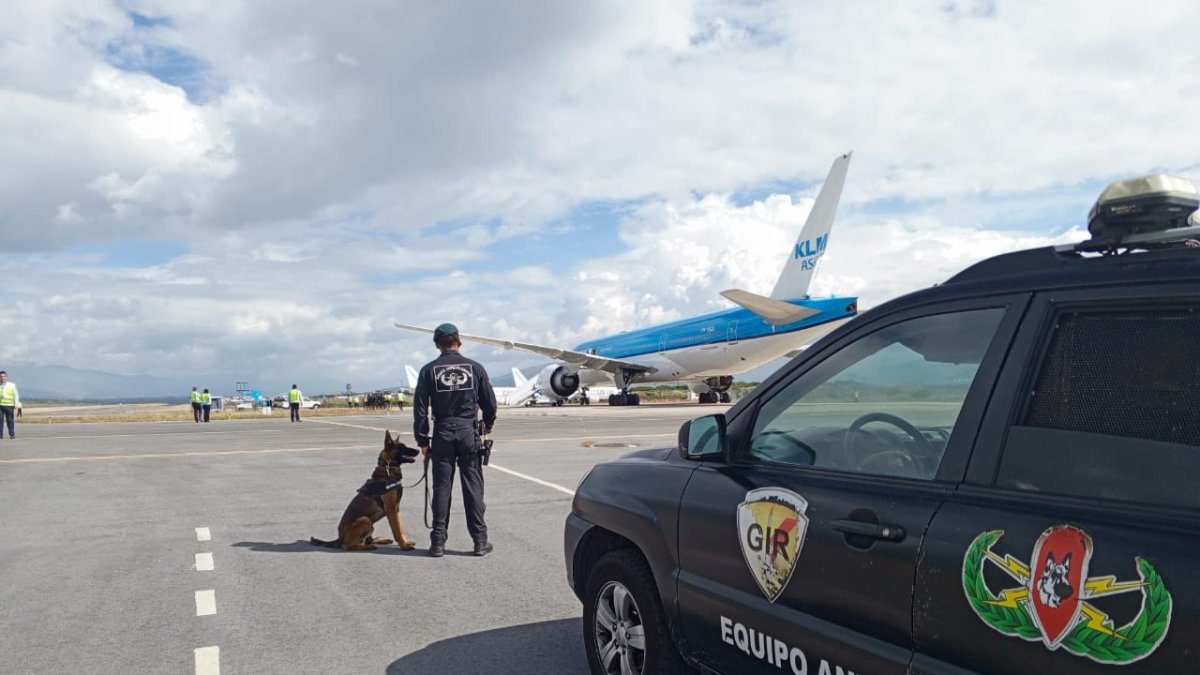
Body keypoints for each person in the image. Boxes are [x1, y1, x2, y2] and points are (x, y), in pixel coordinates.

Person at [414, 323, 497, 558]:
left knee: (442, 487)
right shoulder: (475, 368)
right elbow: (489, 403)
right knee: (473, 487)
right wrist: (487, 426)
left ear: (436, 345)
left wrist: (422, 439)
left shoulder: (428, 371)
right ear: (458, 341)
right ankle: (480, 542)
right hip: (468, 431)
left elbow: (420, 410)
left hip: (442, 433)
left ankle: (438, 543)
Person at [0, 371, 19, 439]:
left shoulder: (11, 385)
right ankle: (0, 435)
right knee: (0, 420)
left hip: (9, 406)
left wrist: (16, 403)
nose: (2, 378)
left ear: (6, 377)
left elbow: (15, 395)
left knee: (10, 420)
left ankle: (11, 434)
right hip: (0, 406)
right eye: (1, 377)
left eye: (4, 376)